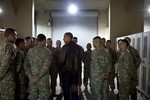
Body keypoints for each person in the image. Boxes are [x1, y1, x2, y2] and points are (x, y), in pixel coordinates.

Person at [24, 34, 52, 100]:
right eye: (45, 41)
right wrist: (38, 77)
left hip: (32, 80)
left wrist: (30, 76)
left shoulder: (30, 51)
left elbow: (26, 65)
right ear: (44, 41)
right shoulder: (47, 52)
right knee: (44, 97)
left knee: (33, 97)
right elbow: (46, 66)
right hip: (43, 81)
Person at [59, 32, 83, 100]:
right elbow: (81, 59)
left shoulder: (65, 47)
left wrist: (59, 68)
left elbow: (61, 60)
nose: (63, 39)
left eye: (64, 37)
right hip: (75, 73)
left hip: (66, 72)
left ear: (69, 37)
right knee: (74, 91)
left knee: (66, 91)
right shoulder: (79, 48)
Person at [0, 28, 17, 100]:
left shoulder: (1, 44)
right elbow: (6, 63)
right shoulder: (9, 46)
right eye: (15, 36)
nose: (16, 38)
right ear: (10, 36)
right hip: (7, 79)